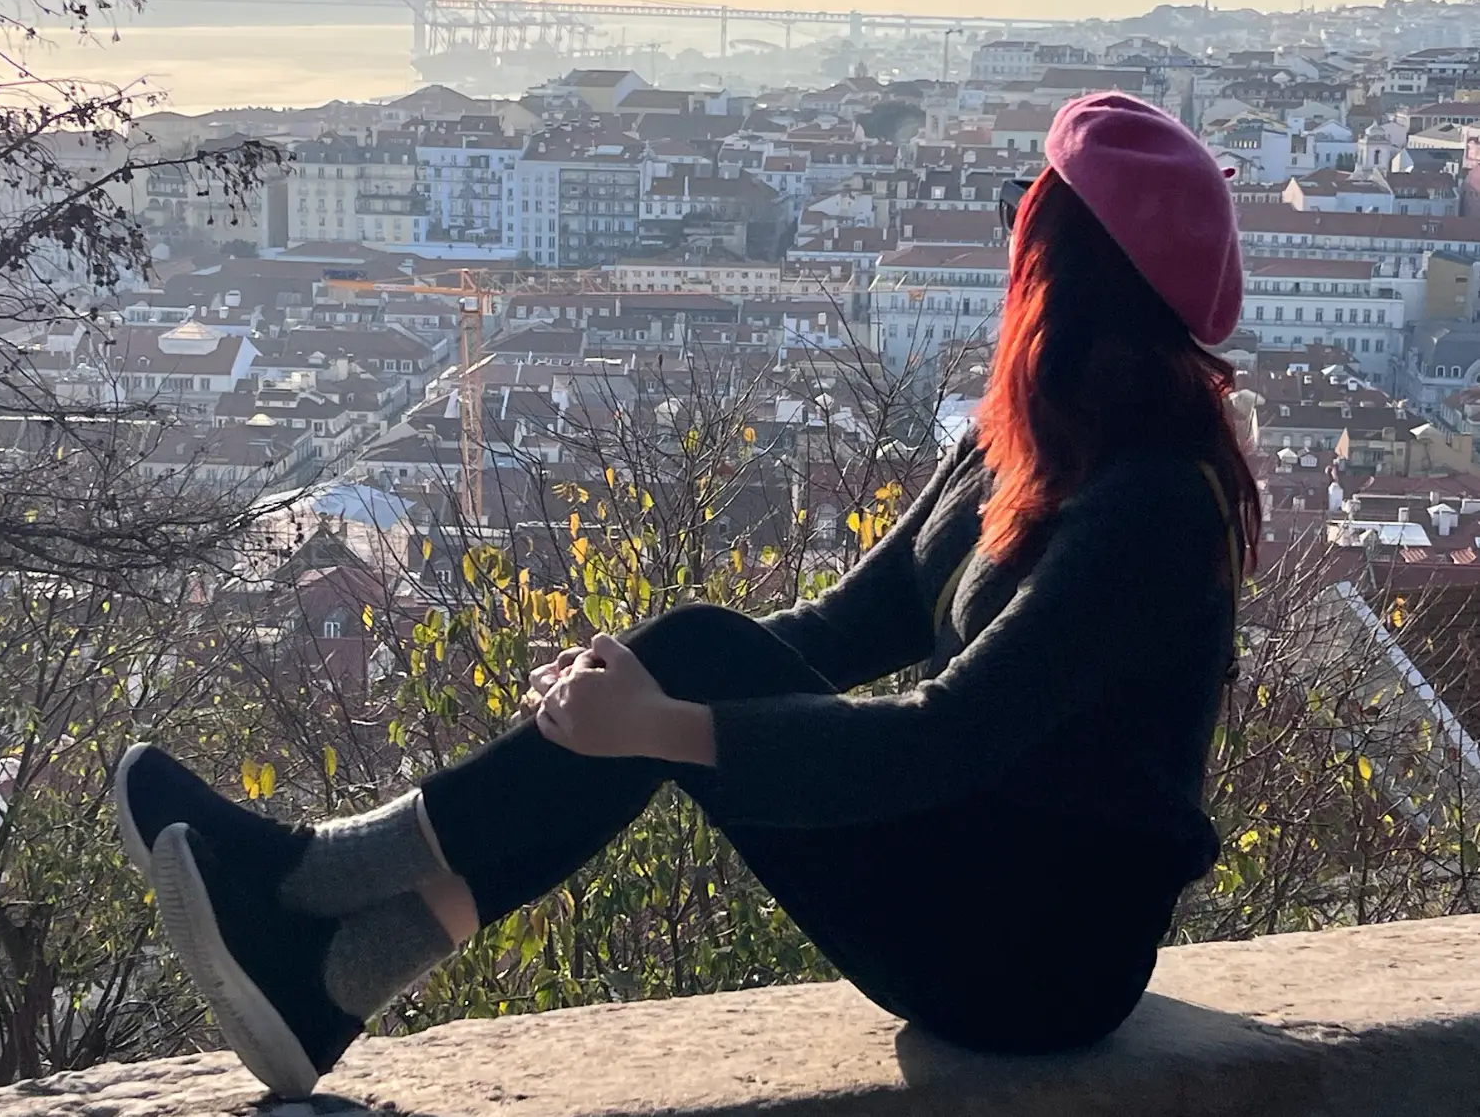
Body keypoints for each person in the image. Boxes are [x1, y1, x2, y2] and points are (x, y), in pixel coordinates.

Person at [114, 92, 1260, 1100]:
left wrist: (663, 720)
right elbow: (845, 626)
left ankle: (315, 878)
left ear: (1058, 258)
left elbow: (948, 736)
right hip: (971, 880)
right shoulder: (1023, 442)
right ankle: (328, 979)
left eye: (1026, 202)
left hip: (1041, 961)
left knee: (688, 677)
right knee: (686, 657)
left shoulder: (1154, 501)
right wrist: (625, 690)